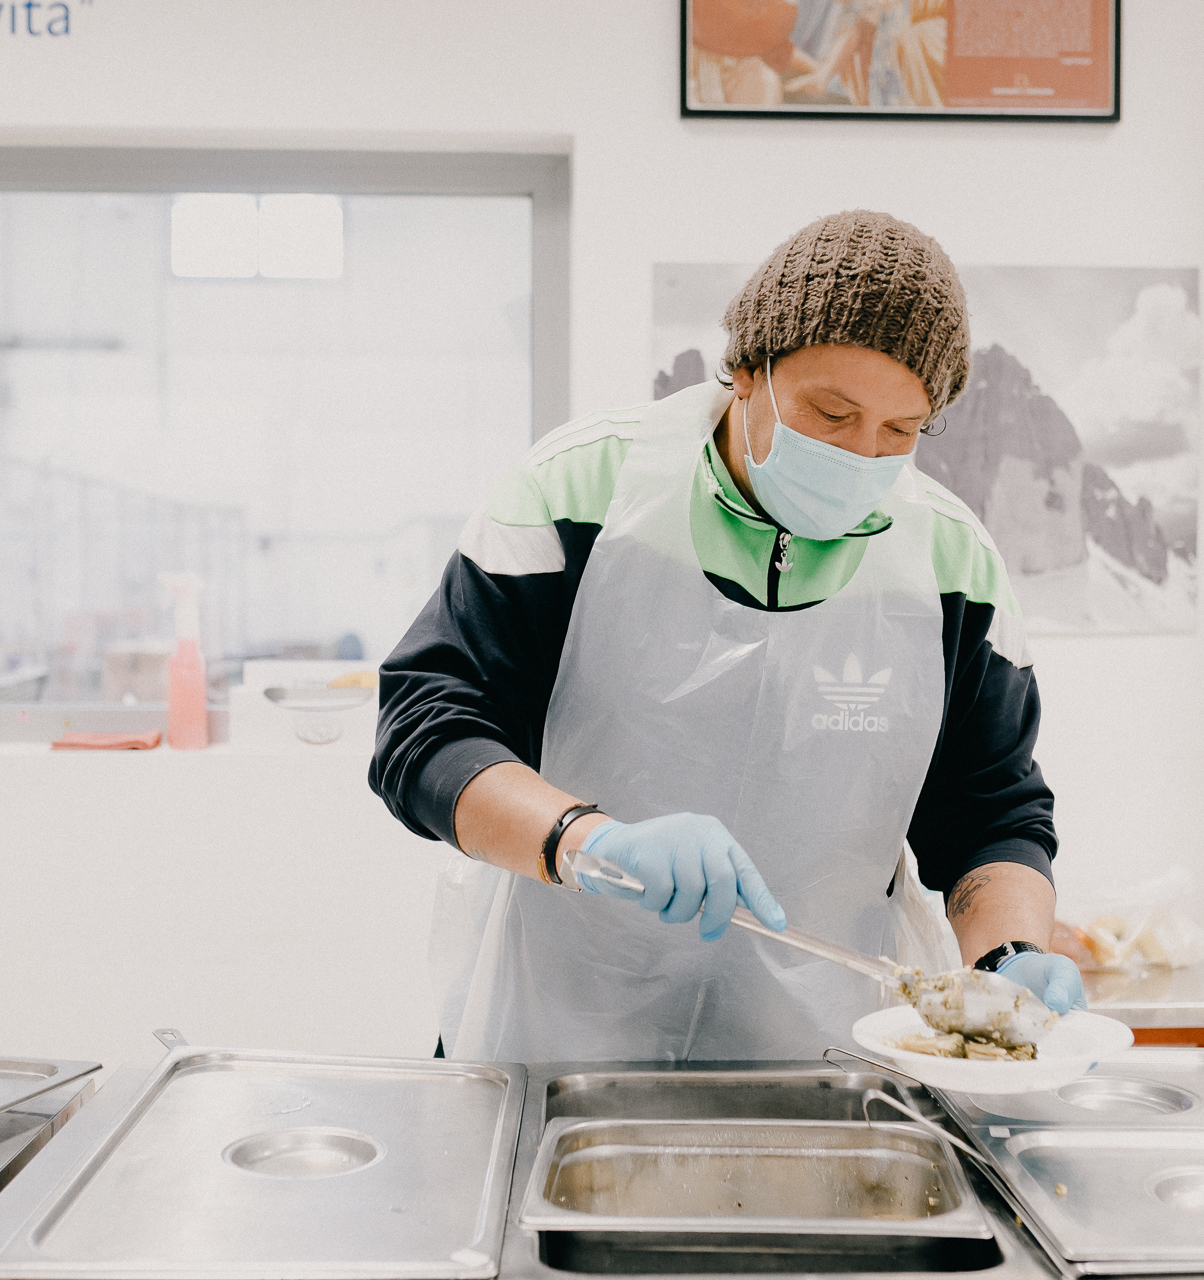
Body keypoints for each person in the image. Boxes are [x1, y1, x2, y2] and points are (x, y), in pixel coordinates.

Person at [371, 210, 1082, 1063]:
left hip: (815, 1061)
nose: (862, 457)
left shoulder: (950, 564)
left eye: (899, 432)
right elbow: (427, 730)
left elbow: (991, 809)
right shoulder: (584, 491)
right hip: (557, 1042)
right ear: (748, 369)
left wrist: (1010, 958)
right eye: (830, 412)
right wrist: (589, 842)